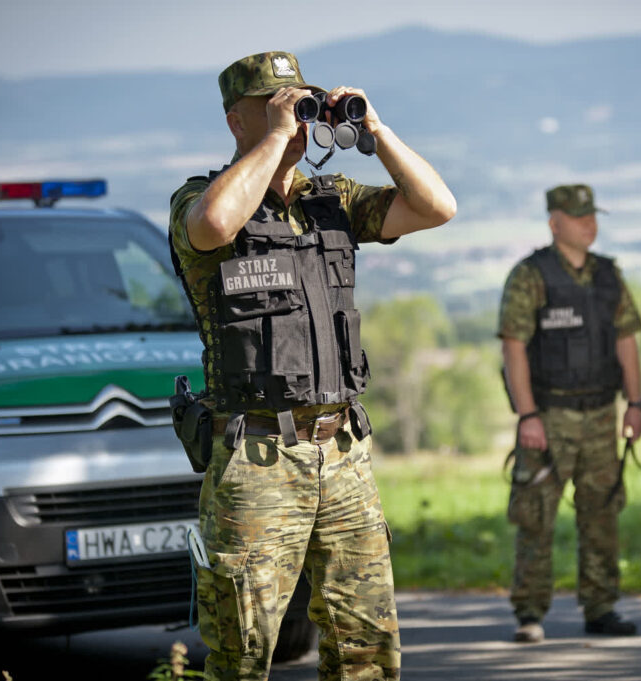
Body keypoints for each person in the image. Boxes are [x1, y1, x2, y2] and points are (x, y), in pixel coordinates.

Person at [169, 51, 456, 680]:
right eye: (278, 106)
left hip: (342, 451)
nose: (297, 119)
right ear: (236, 121)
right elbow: (213, 224)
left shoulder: (333, 200)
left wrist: (375, 130)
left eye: (302, 105)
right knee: (242, 654)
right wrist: (276, 137)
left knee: (366, 646)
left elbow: (437, 206)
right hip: (257, 455)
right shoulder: (200, 199)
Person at [498, 183, 641, 643]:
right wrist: (527, 415)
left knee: (602, 514)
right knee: (536, 515)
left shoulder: (608, 276)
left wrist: (635, 404)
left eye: (592, 216)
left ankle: (601, 608)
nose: (590, 225)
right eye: (580, 217)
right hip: (549, 416)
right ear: (554, 222)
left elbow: (626, 340)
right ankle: (530, 613)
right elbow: (513, 347)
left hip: (602, 413)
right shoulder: (530, 275)